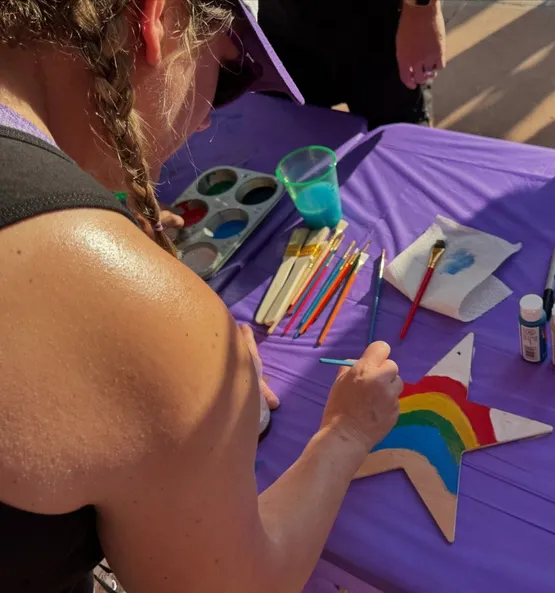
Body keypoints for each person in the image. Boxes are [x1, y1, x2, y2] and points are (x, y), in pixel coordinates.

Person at [0, 2, 403, 592]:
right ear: (155, 19)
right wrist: (345, 436)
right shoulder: (125, 309)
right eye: (231, 71)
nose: (206, 123)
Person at [258, 0, 447, 129]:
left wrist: (422, 10)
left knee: (400, 146)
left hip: (374, 27)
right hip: (279, 26)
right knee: (290, 147)